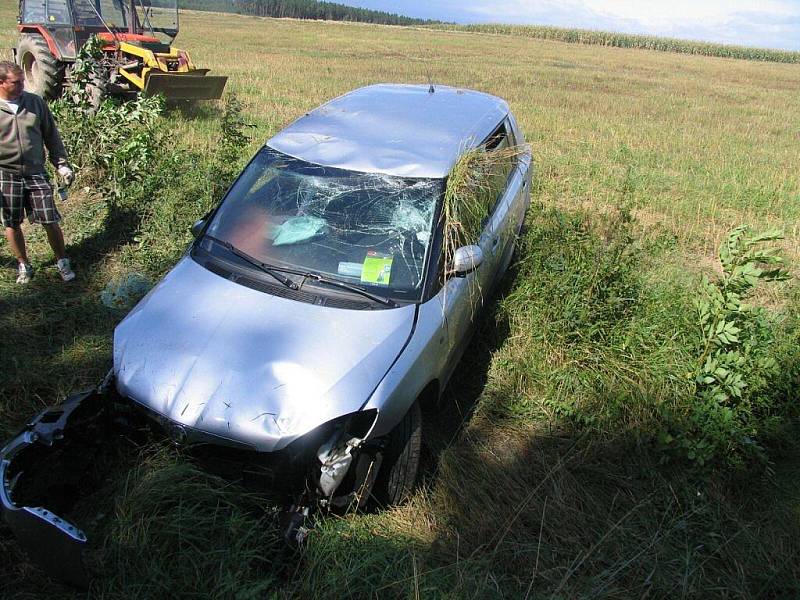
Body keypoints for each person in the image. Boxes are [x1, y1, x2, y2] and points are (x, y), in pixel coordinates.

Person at [0, 60, 75, 283]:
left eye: (23, 80)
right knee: (11, 223)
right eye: (17, 82)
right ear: (1, 83)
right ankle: (24, 264)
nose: (23, 85)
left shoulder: (34, 103)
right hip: (6, 174)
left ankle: (62, 261)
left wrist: (61, 164)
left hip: (35, 171)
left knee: (49, 218)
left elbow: (51, 135)